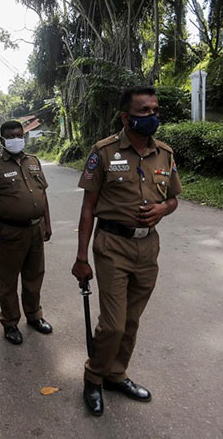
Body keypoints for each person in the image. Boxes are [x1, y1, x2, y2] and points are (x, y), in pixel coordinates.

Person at [71, 86, 182, 416]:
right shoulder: (103, 152)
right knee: (113, 324)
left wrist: (163, 210)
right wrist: (80, 258)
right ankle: (93, 378)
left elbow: (174, 198)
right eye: (144, 111)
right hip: (112, 247)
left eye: (155, 110)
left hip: (148, 248)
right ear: (126, 117)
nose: (152, 117)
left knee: (131, 321)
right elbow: (88, 208)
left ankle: (116, 374)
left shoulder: (165, 153)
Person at [0, 120, 53, 345]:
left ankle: (34, 316)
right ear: (2, 140)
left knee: (34, 276)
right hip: (8, 233)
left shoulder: (34, 162)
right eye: (11, 136)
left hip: (35, 230)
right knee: (8, 281)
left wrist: (47, 224)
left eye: (19, 135)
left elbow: (42, 195)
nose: (16, 139)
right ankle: (10, 322)